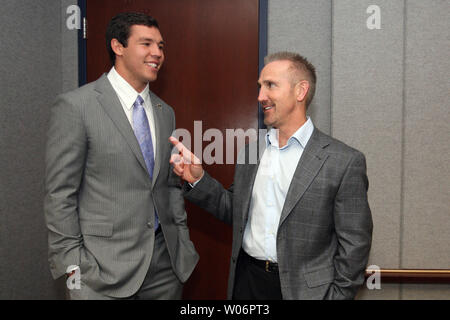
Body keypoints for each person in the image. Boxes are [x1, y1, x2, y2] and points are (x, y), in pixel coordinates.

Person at [169, 52, 373, 300]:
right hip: (248, 283)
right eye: (260, 86)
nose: (260, 96)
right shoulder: (253, 151)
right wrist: (198, 179)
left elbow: (355, 245)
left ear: (300, 91)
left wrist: (337, 296)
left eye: (270, 85)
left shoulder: (343, 161)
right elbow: (236, 211)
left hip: (306, 293)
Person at [44, 12, 198, 300]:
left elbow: (167, 185)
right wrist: (73, 266)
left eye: (161, 46)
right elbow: (59, 195)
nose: (157, 53)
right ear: (118, 46)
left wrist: (181, 238)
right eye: (146, 44)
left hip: (165, 268)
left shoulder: (166, 112)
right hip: (100, 272)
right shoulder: (76, 106)